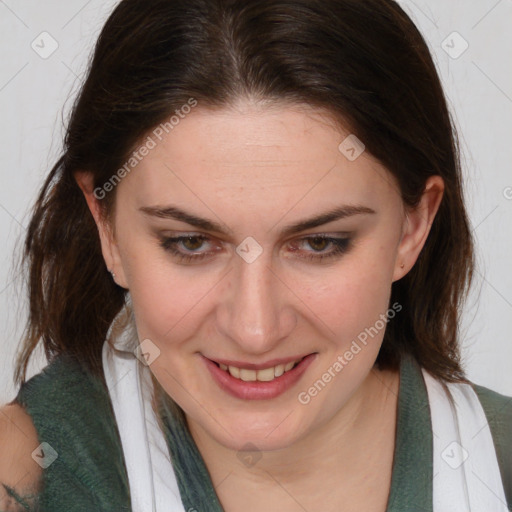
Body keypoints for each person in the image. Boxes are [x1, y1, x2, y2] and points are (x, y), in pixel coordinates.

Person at [0, 0, 510, 511]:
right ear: (106, 227)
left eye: (319, 243)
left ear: (412, 228)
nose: (255, 330)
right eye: (191, 243)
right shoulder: (26, 470)